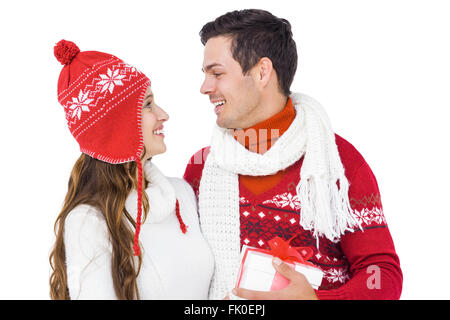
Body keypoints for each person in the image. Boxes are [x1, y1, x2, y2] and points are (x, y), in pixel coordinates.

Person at [183, 9, 403, 300]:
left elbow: (382, 275)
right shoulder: (201, 168)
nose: (205, 87)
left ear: (262, 72)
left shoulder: (336, 164)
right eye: (206, 75)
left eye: (217, 73)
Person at [49, 40, 214, 299]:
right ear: (117, 126)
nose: (163, 114)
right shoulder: (89, 222)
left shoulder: (182, 194)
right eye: (147, 104)